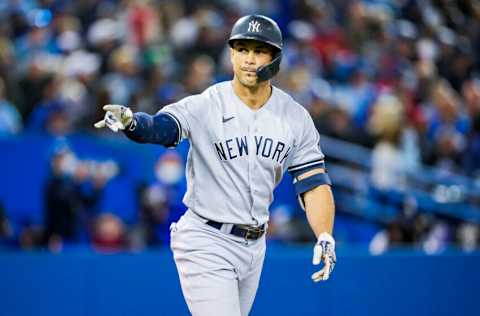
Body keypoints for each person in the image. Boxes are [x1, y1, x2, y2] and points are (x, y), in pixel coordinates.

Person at [95, 14, 336, 316]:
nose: (249, 59)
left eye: (259, 50)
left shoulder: (295, 117)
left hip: (254, 245)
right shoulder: (207, 104)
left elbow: (313, 182)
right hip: (206, 239)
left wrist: (325, 234)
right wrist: (133, 123)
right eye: (242, 49)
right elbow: (164, 127)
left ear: (275, 58)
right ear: (232, 53)